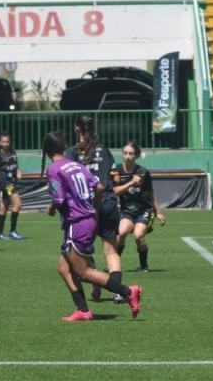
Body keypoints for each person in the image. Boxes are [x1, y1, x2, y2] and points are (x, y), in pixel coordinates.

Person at [43, 130, 142, 322]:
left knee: (82, 272)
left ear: (46, 151)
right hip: (87, 219)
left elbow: (59, 198)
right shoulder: (75, 165)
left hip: (76, 222)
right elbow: (98, 186)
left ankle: (128, 292)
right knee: (64, 268)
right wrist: (94, 208)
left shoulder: (55, 169)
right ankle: (83, 310)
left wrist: (51, 208)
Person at [69, 114, 126, 301]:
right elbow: (116, 178)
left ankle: (97, 284)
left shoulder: (72, 153)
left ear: (77, 128)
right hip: (108, 201)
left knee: (83, 250)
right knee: (111, 251)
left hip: (85, 207)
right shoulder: (104, 150)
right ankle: (118, 291)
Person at [114, 140, 166, 273]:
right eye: (125, 153)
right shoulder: (116, 171)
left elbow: (151, 193)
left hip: (144, 210)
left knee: (138, 236)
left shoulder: (143, 172)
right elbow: (115, 191)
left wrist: (158, 212)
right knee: (121, 233)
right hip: (127, 211)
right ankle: (114, 265)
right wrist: (131, 183)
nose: (127, 156)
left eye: (131, 153)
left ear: (136, 155)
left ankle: (144, 266)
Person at [0, 132, 25, 241]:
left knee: (4, 208)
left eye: (7, 141)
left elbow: (15, 164)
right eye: (3, 142)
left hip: (13, 181)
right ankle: (12, 231)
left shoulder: (12, 152)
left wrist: (19, 171)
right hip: (5, 183)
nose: (6, 143)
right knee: (18, 204)